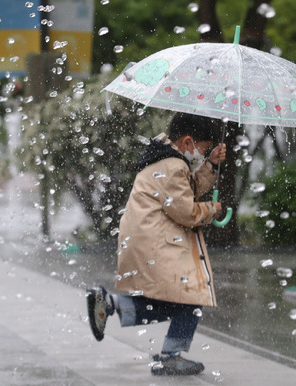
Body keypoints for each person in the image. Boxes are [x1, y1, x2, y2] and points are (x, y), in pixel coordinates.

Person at [86, 112, 227, 376]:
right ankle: (171, 355)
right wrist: (212, 209)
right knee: (191, 298)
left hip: (146, 240)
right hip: (157, 243)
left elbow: (187, 189)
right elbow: (185, 210)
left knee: (172, 303)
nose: (201, 153)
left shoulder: (164, 157)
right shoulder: (173, 166)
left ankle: (111, 305)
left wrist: (209, 165)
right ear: (187, 142)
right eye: (203, 149)